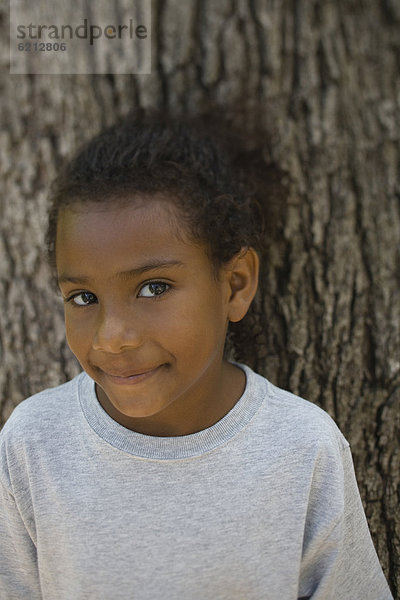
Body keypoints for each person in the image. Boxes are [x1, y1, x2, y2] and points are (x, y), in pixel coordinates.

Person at [0, 111, 393, 600]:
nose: (111, 338)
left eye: (154, 287)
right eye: (83, 298)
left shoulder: (302, 451)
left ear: (235, 284)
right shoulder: (34, 446)